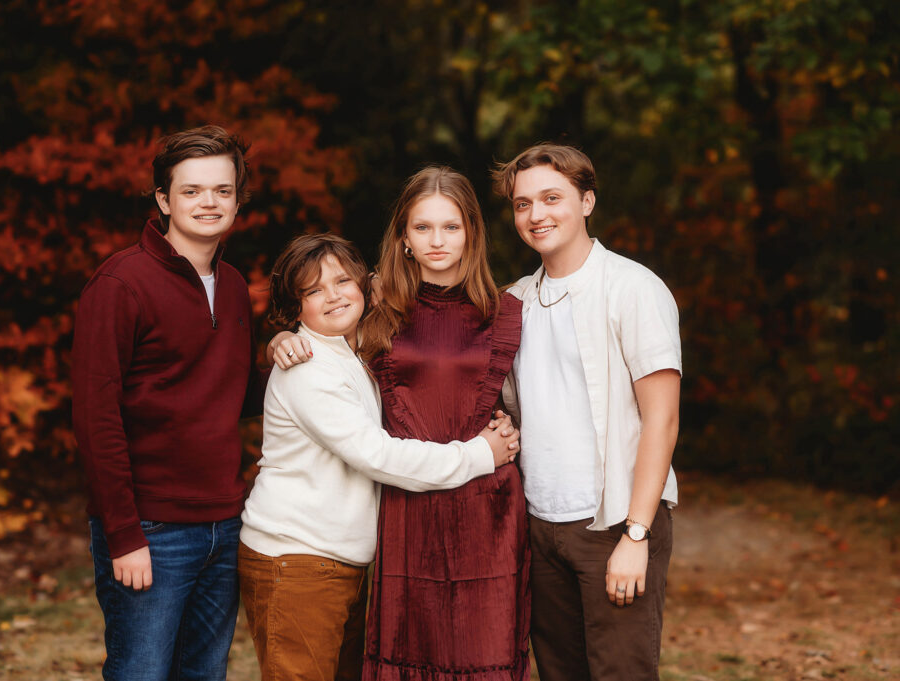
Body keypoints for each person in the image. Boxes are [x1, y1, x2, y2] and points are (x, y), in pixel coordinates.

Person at [239, 233, 521, 681]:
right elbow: (378, 455)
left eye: (341, 281)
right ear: (296, 308)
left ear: (365, 285)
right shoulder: (308, 369)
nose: (332, 296)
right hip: (295, 561)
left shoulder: (358, 355)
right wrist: (478, 455)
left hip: (338, 562)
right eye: (312, 291)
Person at [71, 125, 264, 681]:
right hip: (152, 528)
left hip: (224, 523)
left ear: (236, 199)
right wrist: (124, 535)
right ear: (163, 200)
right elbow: (95, 419)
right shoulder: (119, 284)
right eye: (192, 191)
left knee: (204, 673)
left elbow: (229, 391)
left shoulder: (231, 284)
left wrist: (284, 355)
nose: (209, 202)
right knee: (141, 673)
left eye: (222, 191)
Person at [492, 143, 681, 681]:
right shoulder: (514, 301)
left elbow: (661, 421)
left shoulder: (633, 288)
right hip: (540, 524)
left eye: (552, 198)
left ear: (588, 201)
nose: (536, 214)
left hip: (615, 523)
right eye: (523, 203)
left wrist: (636, 535)